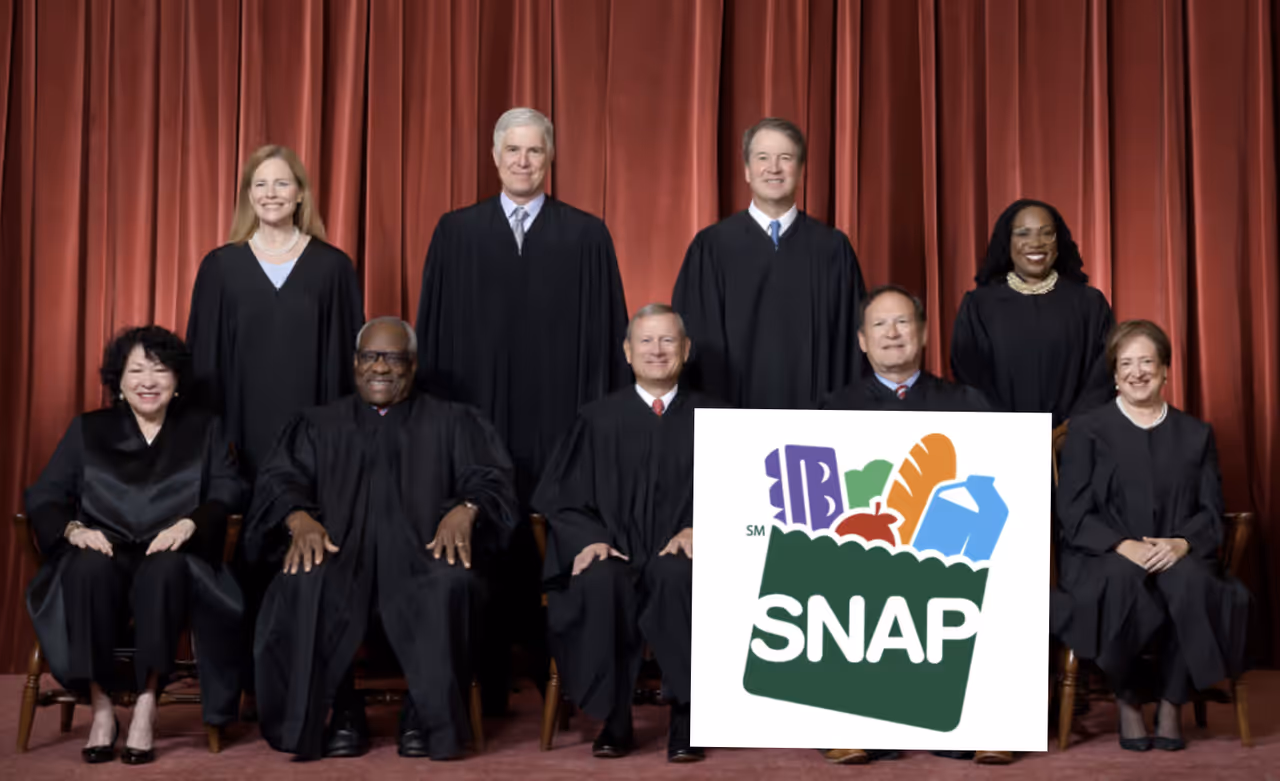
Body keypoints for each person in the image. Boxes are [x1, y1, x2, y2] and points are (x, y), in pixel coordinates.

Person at [414, 107, 629, 710]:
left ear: (550, 157)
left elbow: (610, 336)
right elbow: (430, 337)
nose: (523, 161)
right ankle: (478, 670)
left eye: (534, 151)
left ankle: (556, 667)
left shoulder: (587, 235)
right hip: (476, 422)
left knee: (553, 531)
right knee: (480, 534)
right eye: (512, 149)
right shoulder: (455, 233)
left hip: (559, 421)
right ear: (494, 155)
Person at [245, 317, 519, 761]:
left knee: (453, 585)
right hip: (339, 555)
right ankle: (342, 712)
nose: (380, 368)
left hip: (423, 556)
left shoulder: (453, 421)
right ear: (355, 363)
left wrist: (466, 509)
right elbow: (279, 482)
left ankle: (423, 715)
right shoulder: (318, 424)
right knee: (301, 583)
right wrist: (298, 518)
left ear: (412, 366)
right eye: (370, 357)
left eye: (393, 358)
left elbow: (492, 479)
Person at [186, 144, 364, 716]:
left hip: (313, 445)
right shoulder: (220, 266)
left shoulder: (334, 266)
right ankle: (241, 685)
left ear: (301, 194)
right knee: (243, 557)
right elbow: (203, 364)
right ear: (247, 196)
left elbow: (348, 366)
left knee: (313, 557)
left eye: (281, 184)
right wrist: (215, 449)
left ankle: (307, 683)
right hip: (239, 441)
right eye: (260, 185)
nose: (270, 194)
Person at [24, 326, 243, 765]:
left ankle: (146, 703)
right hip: (104, 550)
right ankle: (102, 707)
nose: (148, 381)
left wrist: (190, 524)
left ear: (177, 380)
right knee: (85, 568)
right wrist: (73, 531)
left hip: (172, 554)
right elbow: (44, 496)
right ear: (118, 381)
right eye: (136, 370)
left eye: (159, 370)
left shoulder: (204, 429)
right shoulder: (89, 429)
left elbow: (230, 490)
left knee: (164, 571)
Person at [821, 286, 1010, 766]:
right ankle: (854, 727)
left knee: (994, 582)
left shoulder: (966, 401)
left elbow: (999, 478)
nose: (892, 333)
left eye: (903, 322)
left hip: (951, 549)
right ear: (863, 341)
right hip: (866, 551)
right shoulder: (832, 409)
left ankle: (987, 723)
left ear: (923, 334)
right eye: (880, 325)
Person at [534, 304, 725, 763]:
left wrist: (704, 527)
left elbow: (746, 494)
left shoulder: (717, 416)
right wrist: (589, 539)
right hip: (615, 549)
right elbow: (560, 498)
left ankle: (687, 717)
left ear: (686, 349)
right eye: (646, 341)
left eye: (667, 341)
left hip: (682, 555)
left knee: (678, 575)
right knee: (600, 579)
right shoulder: (595, 419)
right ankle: (615, 718)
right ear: (627, 351)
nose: (656, 351)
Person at [1055, 320, 1249, 752]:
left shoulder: (1196, 434)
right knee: (1118, 582)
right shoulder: (1089, 430)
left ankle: (1170, 701)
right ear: (1114, 373)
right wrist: (1123, 546)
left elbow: (1209, 510)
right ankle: (1127, 696)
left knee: (1190, 582)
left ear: (1165, 370)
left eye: (1147, 361)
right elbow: (1072, 511)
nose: (1136, 372)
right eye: (1126, 363)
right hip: (1105, 552)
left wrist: (1181, 543)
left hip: (1176, 550)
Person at [673, 117, 866, 410]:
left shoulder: (832, 249)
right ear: (747, 171)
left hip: (817, 428)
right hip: (731, 423)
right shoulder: (711, 248)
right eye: (762, 158)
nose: (773, 168)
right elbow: (692, 345)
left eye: (785, 158)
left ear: (801, 170)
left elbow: (851, 349)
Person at [950, 198, 1114, 428]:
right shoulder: (979, 306)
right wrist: (1010, 430)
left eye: (1047, 233)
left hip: (1074, 443)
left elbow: (1104, 373)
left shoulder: (1089, 304)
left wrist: (1070, 429)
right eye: (1023, 233)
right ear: (1007, 242)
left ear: (1058, 243)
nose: (1036, 242)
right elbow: (969, 375)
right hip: (1000, 441)